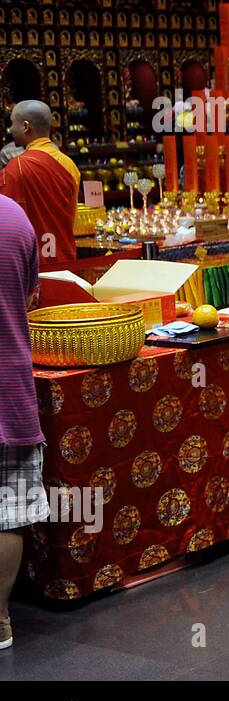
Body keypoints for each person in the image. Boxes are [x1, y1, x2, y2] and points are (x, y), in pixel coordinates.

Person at [0, 193, 49, 650]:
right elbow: (31, 297)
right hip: (10, 383)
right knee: (8, 510)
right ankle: (0, 622)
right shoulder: (15, 216)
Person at [0, 101, 79, 267]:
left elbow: (7, 222)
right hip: (64, 257)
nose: (11, 129)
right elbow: (71, 217)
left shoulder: (17, 167)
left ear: (26, 126)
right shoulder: (69, 164)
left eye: (13, 123)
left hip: (30, 261)